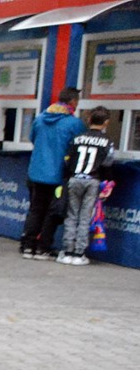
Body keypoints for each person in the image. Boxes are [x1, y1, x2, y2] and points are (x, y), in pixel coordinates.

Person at [21, 87, 86, 260]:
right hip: (58, 175)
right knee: (53, 212)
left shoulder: (40, 118)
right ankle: (43, 248)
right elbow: (79, 147)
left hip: (36, 173)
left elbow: (33, 139)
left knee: (36, 209)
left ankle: (28, 246)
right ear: (73, 102)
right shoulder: (74, 124)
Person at [57, 106, 116, 265]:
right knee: (85, 216)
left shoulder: (77, 138)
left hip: (74, 178)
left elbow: (67, 159)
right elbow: (108, 163)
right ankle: (79, 253)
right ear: (106, 122)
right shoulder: (107, 142)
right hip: (93, 180)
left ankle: (67, 251)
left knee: (71, 215)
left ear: (89, 119)